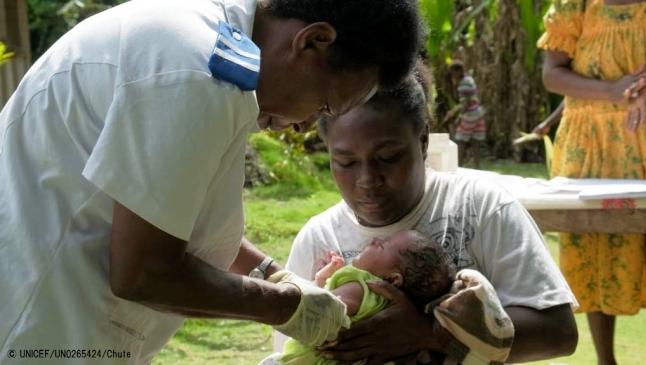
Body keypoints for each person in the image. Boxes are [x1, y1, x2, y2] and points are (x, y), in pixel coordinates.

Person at [0, 0, 423, 363]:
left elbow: (165, 210)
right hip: (36, 326)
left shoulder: (217, 52)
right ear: (313, 41)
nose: (303, 127)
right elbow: (142, 272)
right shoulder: (196, 72)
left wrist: (274, 274)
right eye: (324, 106)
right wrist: (289, 307)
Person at [279, 66, 579, 364]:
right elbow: (293, 349)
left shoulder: (481, 208)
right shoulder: (319, 239)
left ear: (422, 140)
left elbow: (559, 333)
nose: (368, 179)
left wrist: (430, 333)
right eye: (346, 162)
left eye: (388, 158)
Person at [537, 1, 646, 364]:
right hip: (588, 147)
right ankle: (606, 360)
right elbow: (552, 75)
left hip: (644, 135)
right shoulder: (576, 6)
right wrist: (612, 90)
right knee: (595, 247)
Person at [264, 230, 455, 364]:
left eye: (382, 245)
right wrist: (322, 279)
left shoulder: (362, 287)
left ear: (393, 279)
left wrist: (275, 284)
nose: (374, 240)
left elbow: (321, 312)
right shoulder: (388, 305)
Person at [443, 60, 486, 168]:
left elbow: (466, 104)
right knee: (475, 141)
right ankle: (477, 167)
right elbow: (470, 100)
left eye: (453, 72)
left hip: (469, 115)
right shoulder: (469, 79)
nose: (452, 75)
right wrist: (453, 112)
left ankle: (458, 166)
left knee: (460, 141)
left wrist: (460, 117)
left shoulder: (463, 84)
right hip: (478, 113)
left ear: (459, 71)